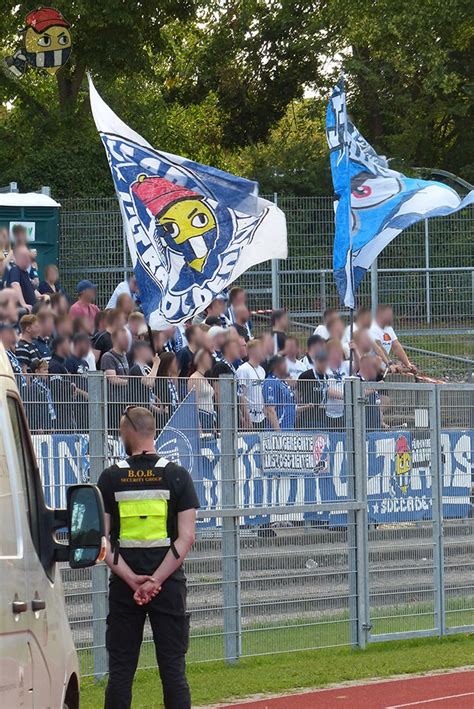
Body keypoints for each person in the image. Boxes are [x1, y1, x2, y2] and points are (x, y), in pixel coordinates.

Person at [97, 406, 199, 709]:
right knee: (173, 670)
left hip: (124, 587)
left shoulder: (110, 478)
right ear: (152, 432)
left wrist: (131, 579)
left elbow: (101, 539)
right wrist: (156, 580)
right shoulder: (178, 476)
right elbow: (187, 537)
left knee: (121, 672)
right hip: (167, 587)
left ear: (128, 431)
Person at [369, 304, 417, 373]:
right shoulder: (372, 328)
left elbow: (396, 347)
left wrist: (408, 364)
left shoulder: (388, 328)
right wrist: (390, 364)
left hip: (384, 366)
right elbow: (379, 348)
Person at [101, 327, 131, 431]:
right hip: (113, 402)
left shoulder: (125, 356)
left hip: (124, 401)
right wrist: (130, 383)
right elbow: (112, 379)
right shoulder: (108, 357)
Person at [296, 348, 330, 430]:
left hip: (321, 415)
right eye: (320, 362)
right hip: (307, 415)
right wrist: (300, 409)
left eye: (325, 362)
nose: (323, 364)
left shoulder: (326, 376)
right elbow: (298, 395)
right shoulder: (305, 376)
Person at [236, 339, 266, 430]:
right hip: (249, 418)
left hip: (261, 418)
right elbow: (241, 397)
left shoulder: (262, 370)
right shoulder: (243, 370)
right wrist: (246, 419)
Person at [263, 355, 296, 430]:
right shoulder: (270, 382)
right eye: (284, 363)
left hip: (289, 430)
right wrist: (278, 433)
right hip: (279, 432)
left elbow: (288, 406)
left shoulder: (283, 383)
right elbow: (270, 409)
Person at [187, 349, 216, 433]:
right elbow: (193, 404)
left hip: (209, 416)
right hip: (201, 415)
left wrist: (213, 427)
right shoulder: (195, 378)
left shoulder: (203, 378)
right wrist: (198, 426)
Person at [6, 245, 37, 311]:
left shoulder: (25, 273)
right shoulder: (15, 270)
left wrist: (41, 296)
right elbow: (15, 285)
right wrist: (23, 304)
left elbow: (33, 290)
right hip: (21, 313)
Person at [156, 352, 180, 428]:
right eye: (175, 362)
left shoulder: (171, 381)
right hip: (164, 422)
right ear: (168, 364)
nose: (177, 364)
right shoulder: (160, 383)